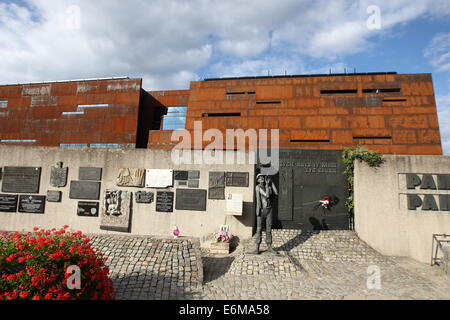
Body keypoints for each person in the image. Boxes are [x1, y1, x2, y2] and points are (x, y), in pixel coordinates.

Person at [253, 173, 278, 254]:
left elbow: (276, 193)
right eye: (260, 178)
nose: (262, 179)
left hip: (269, 210)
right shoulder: (258, 187)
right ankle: (257, 248)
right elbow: (267, 195)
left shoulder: (268, 186)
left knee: (269, 229)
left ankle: (269, 246)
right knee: (259, 229)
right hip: (261, 210)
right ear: (257, 180)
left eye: (262, 177)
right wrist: (267, 185)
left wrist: (271, 182)